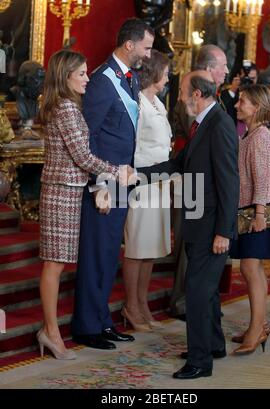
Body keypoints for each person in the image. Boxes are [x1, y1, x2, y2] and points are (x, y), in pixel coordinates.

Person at [138, 71, 239, 379]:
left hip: (212, 228)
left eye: (183, 92)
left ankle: (200, 361)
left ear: (197, 94)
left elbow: (229, 181)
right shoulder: (203, 123)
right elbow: (178, 164)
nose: (180, 98)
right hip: (198, 221)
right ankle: (213, 345)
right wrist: (135, 176)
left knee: (196, 290)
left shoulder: (219, 124)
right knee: (205, 291)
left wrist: (224, 230)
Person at [37, 49, 126, 360]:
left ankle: (51, 331)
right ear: (66, 77)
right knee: (54, 265)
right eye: (82, 74)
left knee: (57, 264)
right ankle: (50, 332)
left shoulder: (66, 106)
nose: (88, 79)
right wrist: (118, 171)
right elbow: (83, 157)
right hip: (61, 193)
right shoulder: (65, 109)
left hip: (70, 191)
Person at [72, 19, 154, 349]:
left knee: (108, 254)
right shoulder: (104, 81)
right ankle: (86, 326)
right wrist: (98, 186)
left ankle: (102, 320)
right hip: (105, 183)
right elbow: (88, 136)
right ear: (130, 45)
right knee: (95, 254)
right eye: (146, 47)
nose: (148, 54)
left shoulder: (129, 79)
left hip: (123, 181)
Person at [169, 44, 231, 320]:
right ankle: (186, 301)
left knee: (202, 258)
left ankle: (202, 307)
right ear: (208, 69)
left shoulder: (216, 104)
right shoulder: (193, 98)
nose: (227, 70)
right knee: (191, 249)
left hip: (207, 186)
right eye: (222, 65)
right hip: (194, 183)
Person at [230, 84, 270, 355]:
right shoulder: (249, 133)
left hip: (257, 211)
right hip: (249, 209)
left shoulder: (260, 136)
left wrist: (260, 214)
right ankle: (258, 327)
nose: (237, 105)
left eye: (243, 102)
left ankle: (256, 330)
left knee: (250, 270)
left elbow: (263, 178)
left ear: (258, 108)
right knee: (254, 270)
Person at [122, 50, 172, 331]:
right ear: (153, 73)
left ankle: (143, 303)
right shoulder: (137, 102)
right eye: (164, 72)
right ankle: (130, 306)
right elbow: (134, 144)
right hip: (141, 181)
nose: (167, 77)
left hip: (160, 183)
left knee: (151, 246)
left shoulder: (158, 103)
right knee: (137, 245)